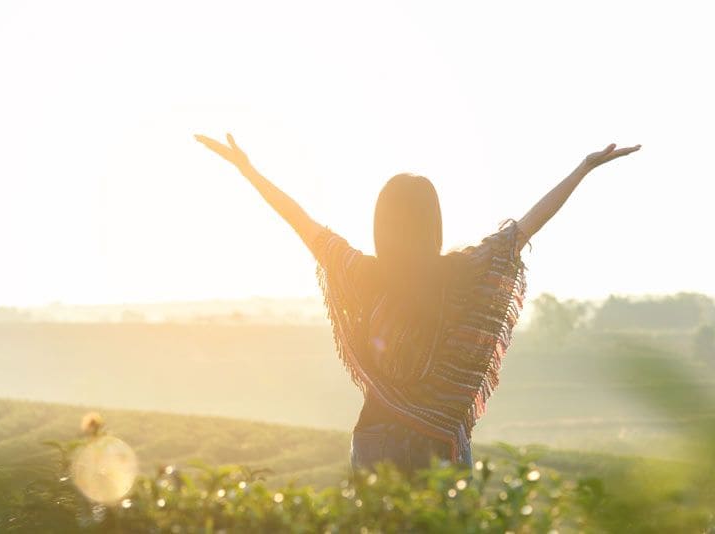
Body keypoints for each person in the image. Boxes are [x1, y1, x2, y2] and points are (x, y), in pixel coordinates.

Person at [194, 133, 641, 478]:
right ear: (434, 222)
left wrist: (247, 170)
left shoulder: (361, 274)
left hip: (375, 439)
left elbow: (301, 222)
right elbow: (525, 228)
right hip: (440, 443)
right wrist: (581, 170)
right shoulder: (462, 272)